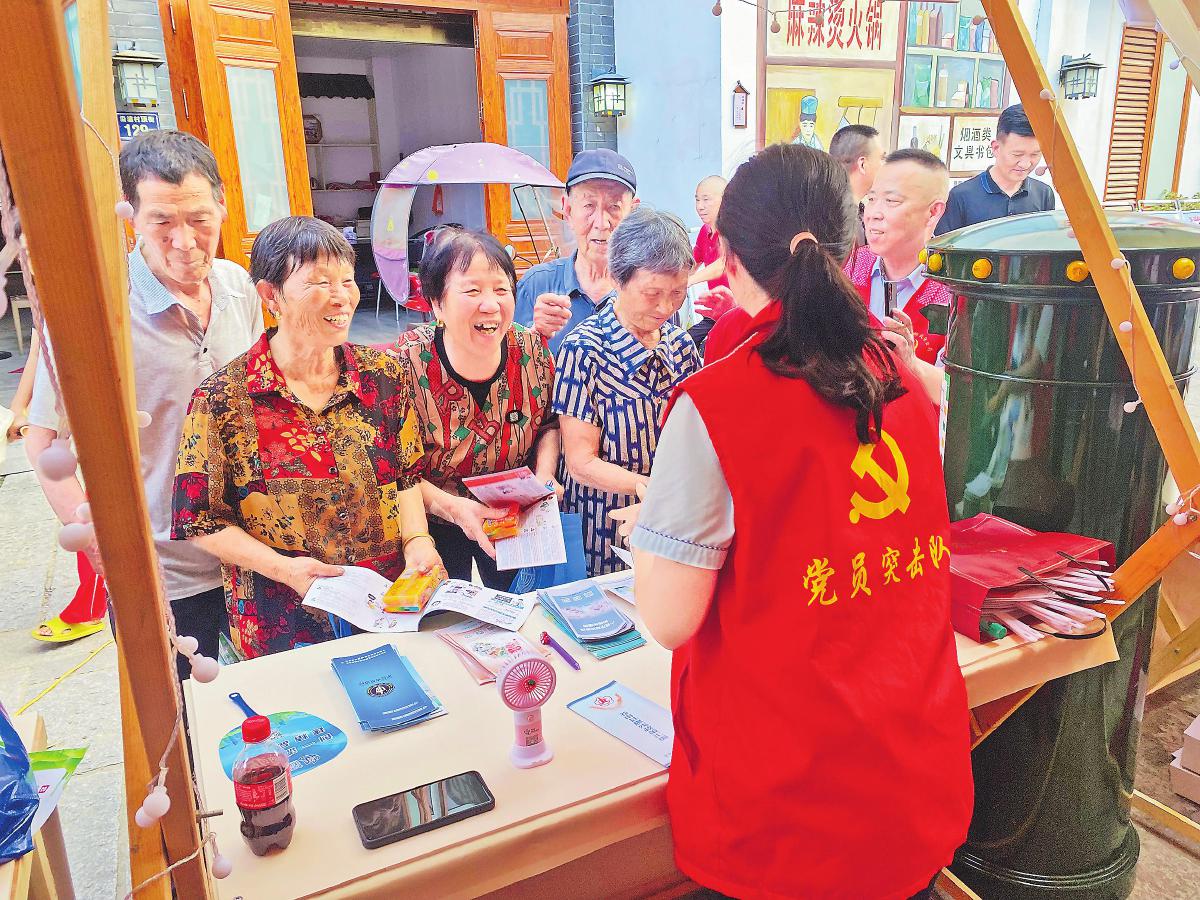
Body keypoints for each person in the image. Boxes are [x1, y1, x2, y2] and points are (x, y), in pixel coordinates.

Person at [626, 143, 972, 899]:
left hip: (789, 804)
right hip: (910, 769)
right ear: (848, 248)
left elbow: (671, 619)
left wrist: (647, 534)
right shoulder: (904, 377)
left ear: (729, 258)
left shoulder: (718, 404)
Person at [24, 130, 262, 672]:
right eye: (161, 222)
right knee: (175, 712)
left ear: (222, 205)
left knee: (263, 707)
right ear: (130, 217)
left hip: (253, 558)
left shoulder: (236, 285)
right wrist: (102, 550)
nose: (185, 241)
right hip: (164, 574)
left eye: (199, 218)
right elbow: (43, 443)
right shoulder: (97, 311)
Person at [172, 217, 439, 659]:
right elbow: (200, 521)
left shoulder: (384, 375)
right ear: (270, 295)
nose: (341, 296)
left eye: (347, 280)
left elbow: (406, 475)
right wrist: (285, 569)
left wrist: (418, 542)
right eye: (319, 282)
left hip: (389, 603)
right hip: (281, 617)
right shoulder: (221, 399)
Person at [388, 229, 560, 590]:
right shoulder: (402, 364)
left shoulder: (532, 351)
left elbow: (548, 424)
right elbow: (392, 469)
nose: (491, 305)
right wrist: (453, 508)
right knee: (442, 613)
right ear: (436, 304)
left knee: (519, 604)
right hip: (432, 518)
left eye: (501, 289)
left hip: (511, 514)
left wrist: (544, 477)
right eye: (472, 291)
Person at [555, 208, 700, 576]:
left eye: (677, 293)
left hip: (671, 523)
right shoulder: (584, 349)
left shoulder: (682, 346)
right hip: (603, 526)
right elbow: (581, 462)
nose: (666, 307)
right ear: (617, 278)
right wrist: (654, 492)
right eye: (652, 293)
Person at [513, 149, 638, 352]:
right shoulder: (535, 285)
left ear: (632, 214)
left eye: (614, 206)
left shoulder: (649, 290)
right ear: (568, 210)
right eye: (589, 205)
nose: (601, 223)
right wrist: (534, 334)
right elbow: (507, 363)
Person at [846, 148, 953, 370]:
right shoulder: (850, 266)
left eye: (891, 201)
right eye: (871, 199)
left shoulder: (954, 288)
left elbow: (957, 384)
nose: (873, 214)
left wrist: (911, 365)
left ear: (933, 212)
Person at [935, 103, 1055, 235]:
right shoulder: (960, 196)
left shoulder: (1044, 194)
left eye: (1035, 154)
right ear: (996, 148)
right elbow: (945, 245)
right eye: (1017, 154)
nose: (1025, 164)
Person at [686, 175, 731, 351]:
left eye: (706, 200)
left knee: (711, 348)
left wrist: (688, 281)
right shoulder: (705, 231)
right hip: (715, 313)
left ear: (724, 199)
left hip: (736, 308)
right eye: (697, 200)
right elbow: (692, 263)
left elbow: (724, 264)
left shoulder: (732, 231)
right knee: (686, 342)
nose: (700, 206)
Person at [829, 123, 887, 246]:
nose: (885, 166)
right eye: (882, 158)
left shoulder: (856, 210)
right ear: (862, 164)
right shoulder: (837, 219)